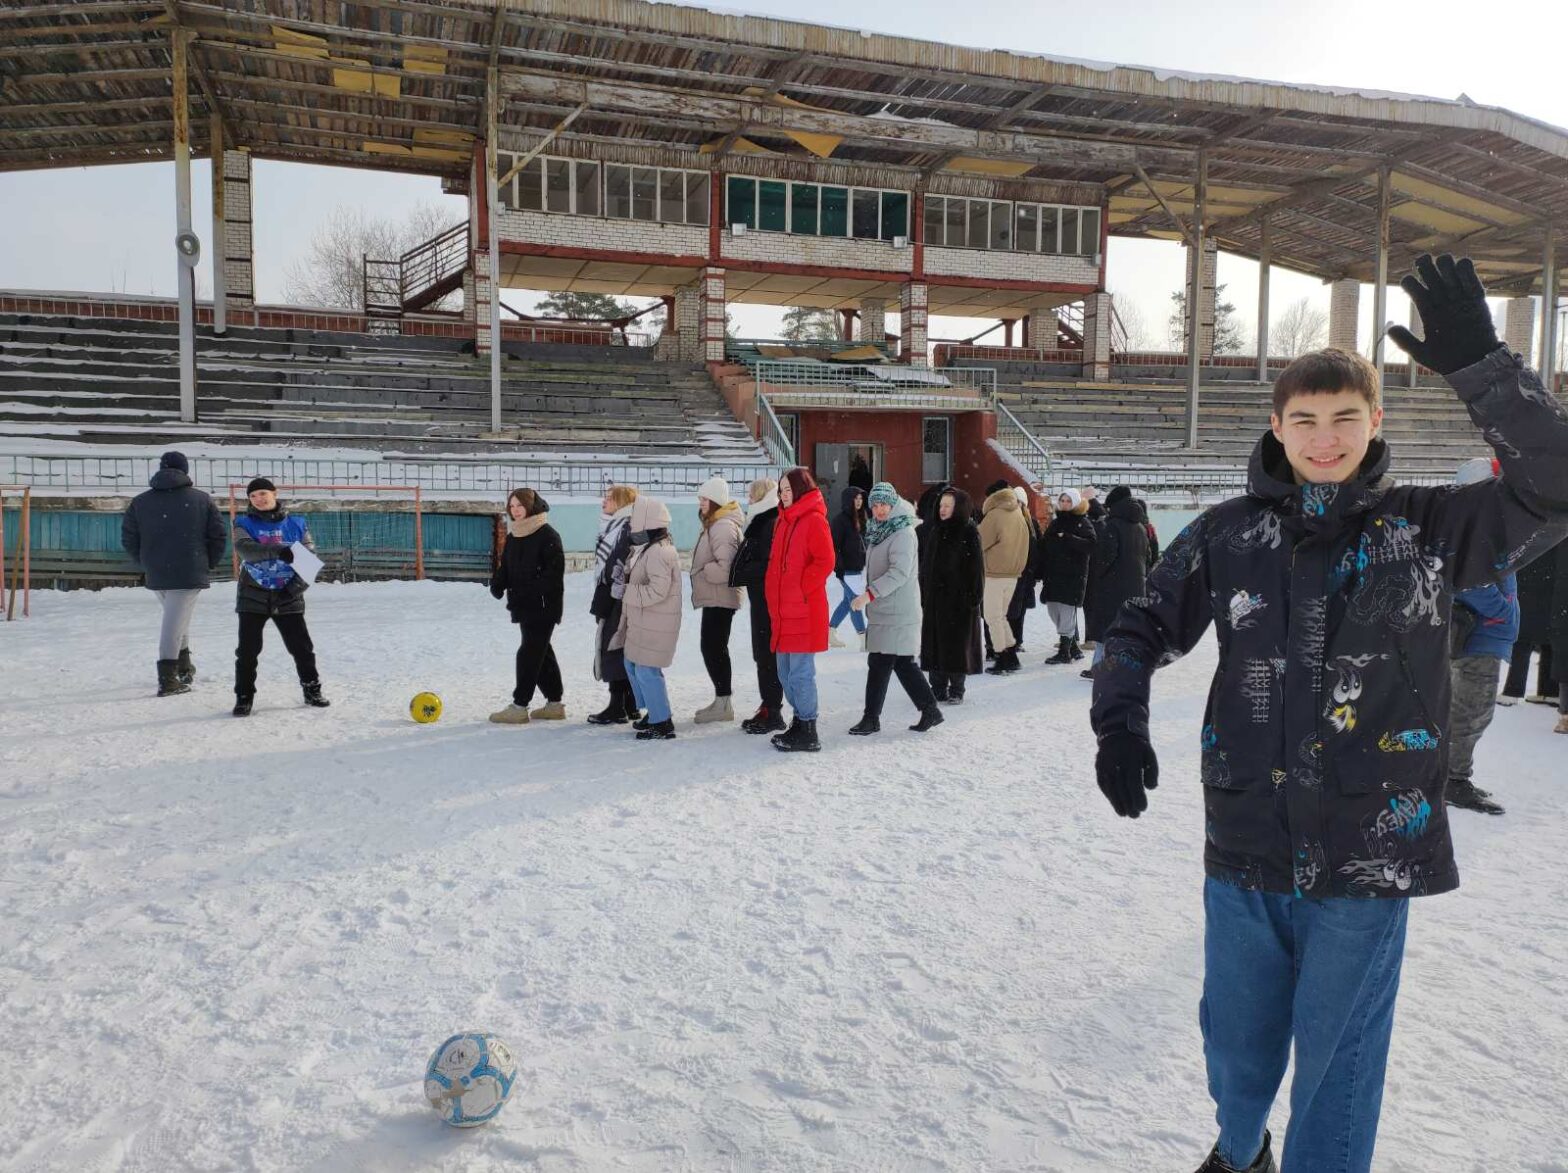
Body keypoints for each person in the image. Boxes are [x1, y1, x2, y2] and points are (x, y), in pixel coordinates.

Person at [1091, 255, 1568, 1173]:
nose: (1323, 437)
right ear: (1276, 425)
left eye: (1345, 417)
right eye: (1304, 419)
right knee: (1235, 1045)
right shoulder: (1229, 534)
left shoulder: (1432, 528)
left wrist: (1482, 367)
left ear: (1375, 422)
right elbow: (1139, 624)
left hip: (1370, 852)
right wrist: (1120, 718)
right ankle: (1240, 1151)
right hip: (1246, 843)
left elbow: (1554, 483)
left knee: (1339, 1069)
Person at [120, 450, 227, 697]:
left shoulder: (141, 501)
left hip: (156, 569)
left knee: (177, 618)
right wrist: (207, 562)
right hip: (190, 567)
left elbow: (129, 537)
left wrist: (145, 561)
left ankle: (184, 667)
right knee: (173, 622)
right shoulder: (201, 499)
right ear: (185, 471)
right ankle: (168, 678)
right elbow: (217, 536)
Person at [1445, 458, 1516, 815]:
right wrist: (1504, 610)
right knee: (1470, 714)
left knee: (1468, 712)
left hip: (1485, 636)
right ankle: (1453, 781)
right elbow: (1469, 581)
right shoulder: (1476, 527)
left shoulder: (1483, 524)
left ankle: (1450, 776)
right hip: (1480, 637)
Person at [847, 482, 943, 735]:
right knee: (901, 663)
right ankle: (930, 709)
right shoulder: (880, 529)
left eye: (884, 505)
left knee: (879, 661)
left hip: (897, 610)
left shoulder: (902, 532)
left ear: (893, 504)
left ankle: (871, 718)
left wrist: (869, 594)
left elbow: (899, 572)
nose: (879, 510)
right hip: (885, 609)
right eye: (875, 505)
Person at [230, 477, 331, 717]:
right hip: (252, 596)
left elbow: (309, 562)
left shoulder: (296, 524)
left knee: (302, 648)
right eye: (253, 496)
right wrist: (280, 550)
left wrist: (291, 591)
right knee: (247, 651)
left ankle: (312, 690)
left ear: (275, 493)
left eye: (263, 493)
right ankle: (244, 697)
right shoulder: (242, 522)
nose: (259, 499)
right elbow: (246, 550)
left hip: (288, 596)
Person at [765, 467, 834, 752]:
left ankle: (809, 728)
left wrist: (802, 588)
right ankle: (799, 721)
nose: (783, 495)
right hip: (784, 611)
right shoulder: (783, 521)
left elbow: (825, 560)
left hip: (804, 610)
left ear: (801, 490)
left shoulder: (814, 520)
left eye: (788, 490)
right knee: (784, 673)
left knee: (800, 673)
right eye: (780, 490)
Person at [488, 487, 566, 725]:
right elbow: (507, 565)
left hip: (543, 606)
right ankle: (554, 704)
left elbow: (553, 576)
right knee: (541, 652)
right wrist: (498, 583)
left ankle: (520, 705)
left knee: (529, 653)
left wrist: (528, 592)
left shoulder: (547, 535)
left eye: (520, 506)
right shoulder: (515, 535)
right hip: (522, 605)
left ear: (531, 506)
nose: (515, 511)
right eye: (511, 506)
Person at [614, 495, 682, 740]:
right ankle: (654, 711)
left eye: (634, 519)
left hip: (656, 623)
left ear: (647, 521)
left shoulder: (659, 552)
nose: (631, 524)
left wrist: (625, 591)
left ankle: (662, 722)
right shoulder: (649, 548)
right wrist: (626, 573)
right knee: (632, 664)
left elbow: (657, 590)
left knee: (646, 670)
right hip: (646, 622)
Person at [729, 477, 787, 735]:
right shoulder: (763, 520)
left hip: (767, 600)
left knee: (767, 655)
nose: (748, 499)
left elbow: (769, 563)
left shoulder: (770, 521)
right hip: (760, 598)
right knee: (762, 654)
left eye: (752, 494)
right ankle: (768, 705)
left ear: (762, 496)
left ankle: (773, 711)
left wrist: (747, 570)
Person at [918, 486, 983, 704]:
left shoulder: (968, 531)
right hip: (935, 601)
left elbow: (976, 569)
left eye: (948, 506)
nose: (943, 509)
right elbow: (926, 565)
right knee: (936, 644)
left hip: (959, 602)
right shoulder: (936, 530)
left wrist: (972, 598)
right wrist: (924, 592)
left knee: (957, 645)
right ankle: (937, 687)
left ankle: (956, 689)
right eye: (941, 505)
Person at [1081, 485, 1151, 679]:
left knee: (1107, 627)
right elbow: (1148, 555)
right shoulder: (1140, 527)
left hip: (1113, 586)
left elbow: (1106, 556)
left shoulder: (1113, 525)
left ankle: (1100, 666)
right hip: (1135, 586)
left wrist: (1100, 574)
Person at [690, 476, 744, 723]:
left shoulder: (722, 526)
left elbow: (726, 568)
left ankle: (724, 703)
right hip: (715, 597)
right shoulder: (715, 523)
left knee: (714, 649)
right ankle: (721, 700)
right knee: (712, 648)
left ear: (715, 501)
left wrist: (702, 571)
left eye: (704, 498)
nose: (700, 502)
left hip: (720, 597)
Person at [587, 484, 640, 726]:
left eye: (609, 499)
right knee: (619, 646)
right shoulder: (615, 525)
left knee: (614, 646)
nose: (603, 502)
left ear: (620, 503)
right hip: (613, 594)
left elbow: (618, 562)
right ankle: (628, 704)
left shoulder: (626, 526)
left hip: (617, 597)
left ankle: (618, 705)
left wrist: (610, 590)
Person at [979, 478, 1031, 674]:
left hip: (994, 572)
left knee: (992, 617)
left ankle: (1002, 657)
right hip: (1013, 574)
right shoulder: (1019, 513)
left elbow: (979, 542)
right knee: (1000, 617)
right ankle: (1011, 654)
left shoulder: (995, 515)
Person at [1500, 533, 1558, 705]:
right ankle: (1549, 690)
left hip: (1532, 570)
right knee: (1550, 633)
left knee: (1523, 635)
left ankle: (1513, 690)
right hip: (1556, 576)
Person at [1040, 487, 1096, 664]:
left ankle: (1065, 651)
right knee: (1053, 610)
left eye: (1068, 501)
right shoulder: (1056, 522)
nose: (1064, 504)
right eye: (1062, 500)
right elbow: (1046, 544)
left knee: (1066, 612)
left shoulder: (1083, 522)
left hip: (1072, 575)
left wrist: (1068, 538)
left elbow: (1091, 545)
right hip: (1054, 574)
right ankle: (1072, 647)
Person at [828, 486, 868, 648]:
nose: (858, 502)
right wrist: (840, 568)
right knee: (856, 602)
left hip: (857, 568)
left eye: (860, 499)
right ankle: (864, 639)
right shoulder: (840, 521)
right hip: (846, 570)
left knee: (848, 601)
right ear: (848, 501)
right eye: (855, 499)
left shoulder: (860, 517)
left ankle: (830, 631)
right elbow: (833, 546)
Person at [1005, 485, 1043, 655]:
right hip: (1010, 572)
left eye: (1019, 502)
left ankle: (1017, 640)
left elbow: (1037, 548)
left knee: (1019, 611)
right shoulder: (1006, 521)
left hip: (1026, 573)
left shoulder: (1032, 523)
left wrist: (1035, 571)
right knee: (1009, 609)